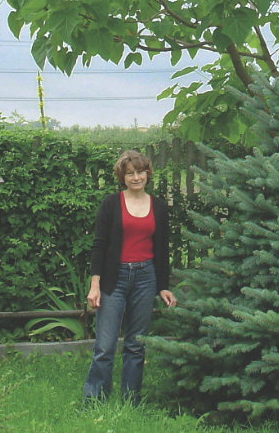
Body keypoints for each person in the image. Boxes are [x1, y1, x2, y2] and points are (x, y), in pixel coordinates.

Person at [81, 149, 177, 403]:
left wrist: (163, 286)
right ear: (122, 177)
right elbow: (99, 245)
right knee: (105, 346)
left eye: (140, 172)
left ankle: (131, 401)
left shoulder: (157, 205)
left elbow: (162, 248)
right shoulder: (111, 204)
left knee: (136, 345)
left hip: (146, 278)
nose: (136, 178)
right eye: (130, 173)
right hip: (116, 277)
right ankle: (94, 400)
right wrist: (95, 285)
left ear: (148, 173)